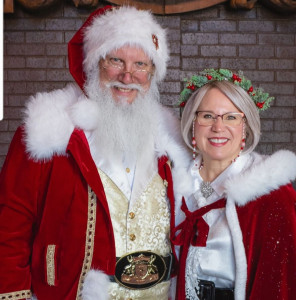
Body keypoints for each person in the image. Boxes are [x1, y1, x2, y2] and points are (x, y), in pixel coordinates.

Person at [0, 5, 189, 300]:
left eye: (140, 64)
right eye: (116, 60)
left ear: (153, 73)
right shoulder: (49, 130)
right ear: (94, 63)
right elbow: (10, 225)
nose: (127, 76)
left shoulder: (170, 137)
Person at [172, 68, 296, 300]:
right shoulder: (173, 183)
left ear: (245, 127)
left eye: (231, 117)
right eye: (207, 116)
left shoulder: (272, 195)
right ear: (193, 123)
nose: (218, 127)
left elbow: (281, 284)